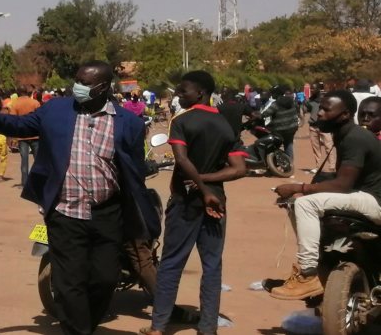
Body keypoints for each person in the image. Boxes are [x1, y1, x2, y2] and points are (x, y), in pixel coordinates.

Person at [0, 60, 159, 335]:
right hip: (65, 212)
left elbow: (134, 169)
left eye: (85, 83)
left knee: (105, 278)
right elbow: (21, 126)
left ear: (103, 87)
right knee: (69, 281)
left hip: (107, 213)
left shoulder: (129, 123)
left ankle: (82, 324)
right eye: (77, 80)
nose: (77, 86)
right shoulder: (56, 110)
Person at [143, 71, 246, 335]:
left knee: (171, 263)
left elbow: (182, 159)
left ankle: (158, 327)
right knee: (212, 265)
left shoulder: (182, 121)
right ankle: (208, 327)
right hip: (217, 201)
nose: (178, 95)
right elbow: (238, 169)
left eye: (183, 91)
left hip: (186, 201)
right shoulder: (226, 125)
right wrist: (209, 185)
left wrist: (198, 186)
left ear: (200, 92)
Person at [268, 90, 381, 300]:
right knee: (296, 203)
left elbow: (343, 184)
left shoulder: (355, 138)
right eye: (321, 108)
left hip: (374, 201)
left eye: (327, 110)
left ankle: (309, 273)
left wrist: (299, 187)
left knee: (305, 204)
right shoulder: (344, 135)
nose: (319, 113)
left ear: (345, 114)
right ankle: (321, 264)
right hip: (361, 196)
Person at [8, 86, 40, 187]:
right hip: (35, 134)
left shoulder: (14, 104)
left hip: (22, 136)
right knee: (38, 160)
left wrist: (12, 137)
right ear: (27, 92)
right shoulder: (35, 103)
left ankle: (25, 183)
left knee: (24, 161)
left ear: (17, 93)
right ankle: (40, 182)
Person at [306, 86, 336, 174]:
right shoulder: (310, 101)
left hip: (324, 126)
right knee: (316, 148)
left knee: (328, 146)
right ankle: (318, 166)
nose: (312, 90)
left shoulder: (326, 101)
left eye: (313, 89)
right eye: (311, 89)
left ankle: (332, 167)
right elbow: (307, 109)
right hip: (313, 126)